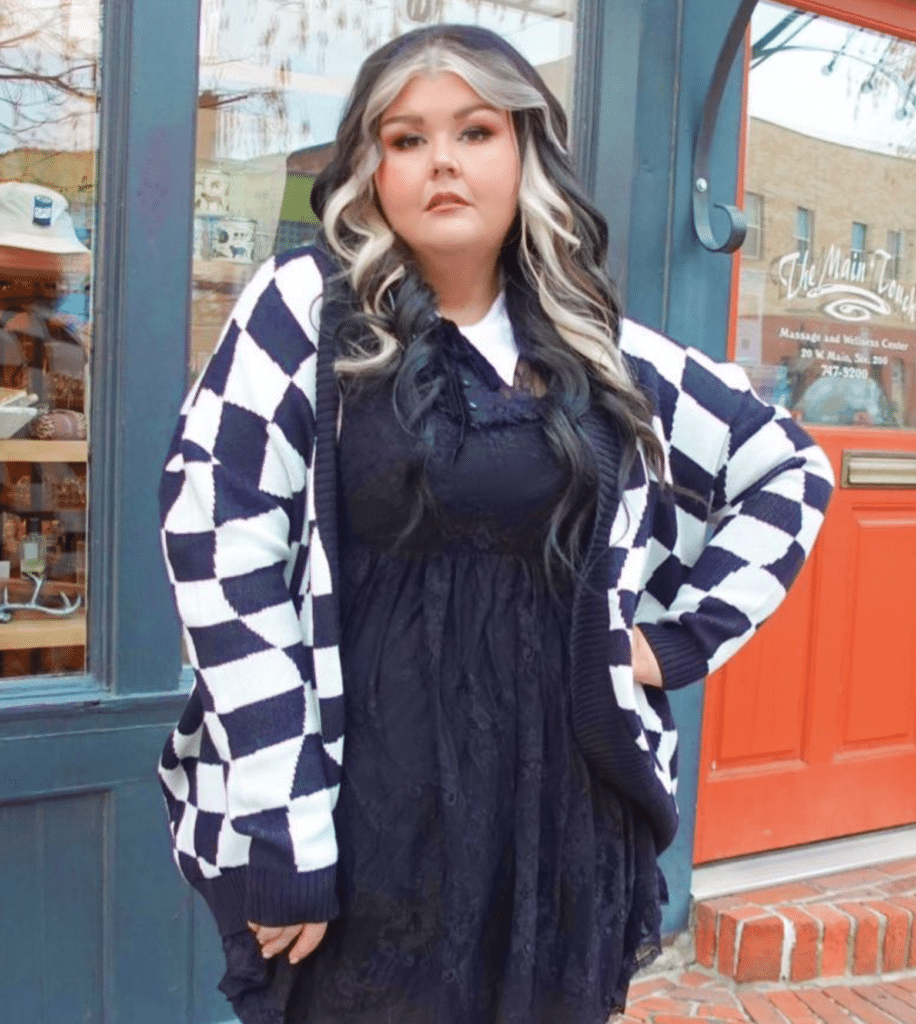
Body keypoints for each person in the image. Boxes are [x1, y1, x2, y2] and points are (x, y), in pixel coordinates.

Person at [158, 24, 834, 1024]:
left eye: (474, 131)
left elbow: (788, 465)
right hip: (364, 795)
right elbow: (219, 550)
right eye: (406, 138)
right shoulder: (305, 310)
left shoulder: (596, 348)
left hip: (557, 803)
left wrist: (676, 641)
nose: (441, 160)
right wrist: (282, 826)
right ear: (372, 170)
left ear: (525, 155)